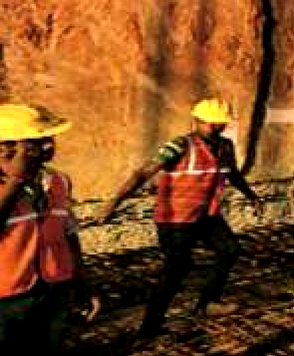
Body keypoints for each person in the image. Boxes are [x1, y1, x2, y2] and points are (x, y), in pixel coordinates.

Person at [99, 98, 263, 339]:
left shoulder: (226, 147)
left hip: (206, 215)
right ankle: (150, 326)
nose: (216, 128)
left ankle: (207, 303)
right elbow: (144, 172)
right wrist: (115, 202)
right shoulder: (179, 145)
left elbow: (234, 175)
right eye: (211, 124)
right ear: (196, 121)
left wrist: (251, 195)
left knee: (229, 249)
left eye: (219, 124)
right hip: (175, 219)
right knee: (177, 270)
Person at [0, 104, 100, 354]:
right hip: (6, 298)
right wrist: (15, 182)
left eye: (50, 138)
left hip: (55, 288)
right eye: (36, 141)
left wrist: (83, 285)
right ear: (7, 146)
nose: (49, 146)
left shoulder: (58, 181)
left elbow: (68, 235)